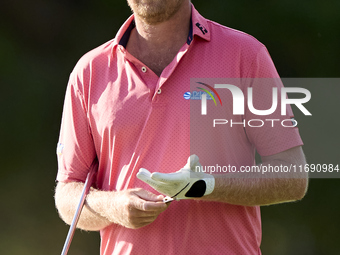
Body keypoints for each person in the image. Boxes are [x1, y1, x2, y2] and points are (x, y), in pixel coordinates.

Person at [55, 0, 308, 254]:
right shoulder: (88, 72)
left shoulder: (245, 54)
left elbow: (293, 175)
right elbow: (67, 196)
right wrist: (113, 206)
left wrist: (208, 185)